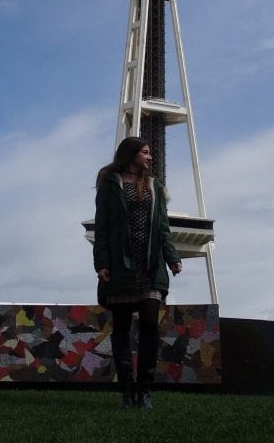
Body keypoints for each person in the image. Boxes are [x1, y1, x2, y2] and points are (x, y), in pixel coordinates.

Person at [93, 136, 182, 409]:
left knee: (150, 325)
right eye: (145, 152)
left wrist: (172, 257)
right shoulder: (111, 185)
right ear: (131, 154)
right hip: (121, 267)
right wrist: (102, 263)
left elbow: (163, 227)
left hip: (150, 265)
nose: (149, 157)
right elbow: (103, 227)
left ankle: (145, 391)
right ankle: (127, 392)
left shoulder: (155, 187)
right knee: (120, 329)